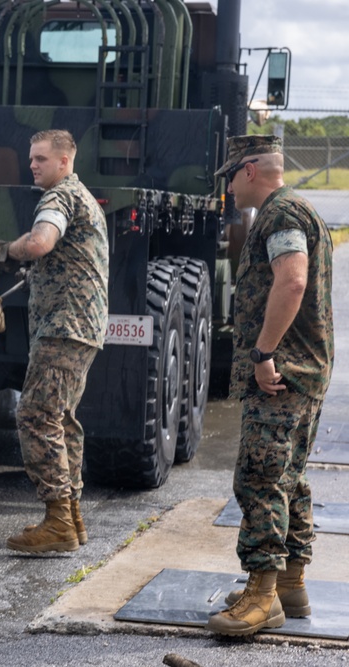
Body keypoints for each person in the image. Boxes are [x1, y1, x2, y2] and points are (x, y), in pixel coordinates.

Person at [206, 134, 333, 637]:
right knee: (288, 478)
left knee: (259, 479)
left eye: (231, 178)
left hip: (283, 375)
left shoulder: (280, 215)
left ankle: (262, 597)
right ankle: (290, 585)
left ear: (250, 170)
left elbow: (293, 280)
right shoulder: (297, 208)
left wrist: (263, 354)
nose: (229, 189)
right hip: (303, 371)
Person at [0, 129, 109, 554]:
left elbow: (40, 242)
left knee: (35, 415)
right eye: (31, 158)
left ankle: (57, 520)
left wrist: (4, 250)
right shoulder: (85, 198)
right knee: (61, 418)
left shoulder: (60, 198)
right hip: (82, 327)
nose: (32, 165)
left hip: (64, 327)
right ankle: (71, 518)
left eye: (40, 159)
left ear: (64, 161)